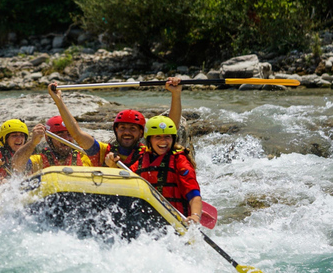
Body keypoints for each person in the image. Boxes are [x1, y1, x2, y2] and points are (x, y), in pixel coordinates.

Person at [46, 78, 184, 169]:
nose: (127, 132)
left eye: (133, 129)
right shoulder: (101, 151)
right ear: (116, 131)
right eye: (122, 128)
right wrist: (59, 101)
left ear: (141, 133)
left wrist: (175, 94)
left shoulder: (148, 152)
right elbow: (76, 133)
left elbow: (170, 128)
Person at [131, 116, 203, 224]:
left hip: (175, 220)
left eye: (167, 137)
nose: (163, 141)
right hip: (147, 220)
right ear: (149, 140)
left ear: (173, 138)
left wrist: (195, 216)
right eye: (158, 137)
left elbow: (194, 195)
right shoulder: (140, 160)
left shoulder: (180, 161)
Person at [12, 116, 94, 173]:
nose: (66, 138)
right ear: (49, 139)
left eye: (69, 134)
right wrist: (33, 142)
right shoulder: (39, 160)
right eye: (60, 135)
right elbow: (17, 165)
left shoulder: (85, 156)